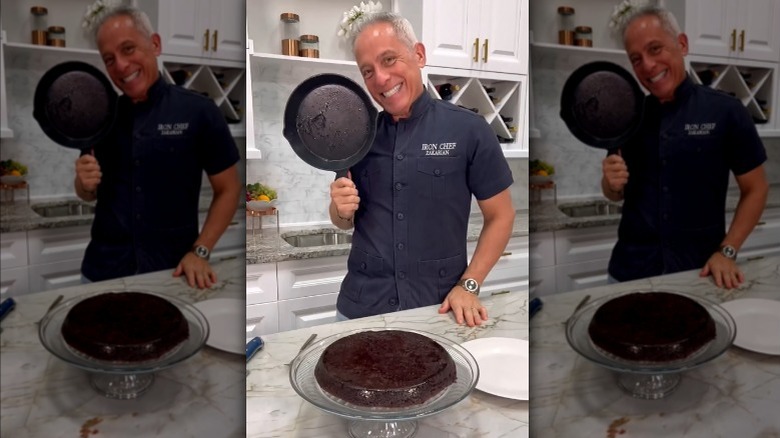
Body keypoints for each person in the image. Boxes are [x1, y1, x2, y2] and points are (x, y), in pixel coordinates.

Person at [329, 12, 516, 326]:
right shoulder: (356, 136)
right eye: (368, 71)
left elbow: (502, 216)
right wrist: (339, 209)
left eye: (389, 60)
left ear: (419, 54)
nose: (381, 78)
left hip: (439, 309)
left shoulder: (469, 130)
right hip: (360, 311)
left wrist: (469, 285)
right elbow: (343, 221)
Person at [601, 5, 768, 289]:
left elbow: (756, 189)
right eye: (636, 59)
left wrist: (727, 251)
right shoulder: (627, 117)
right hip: (629, 273)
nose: (648, 65)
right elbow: (615, 193)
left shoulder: (726, 111)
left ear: (682, 44)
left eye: (655, 49)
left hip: (699, 272)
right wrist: (610, 183)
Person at [74, 5, 241, 288]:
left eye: (128, 49)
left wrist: (200, 251)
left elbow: (229, 189)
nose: (121, 65)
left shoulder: (199, 111)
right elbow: (88, 193)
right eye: (109, 59)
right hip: (101, 272)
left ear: (155, 44)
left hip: (172, 272)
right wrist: (83, 183)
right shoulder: (99, 117)